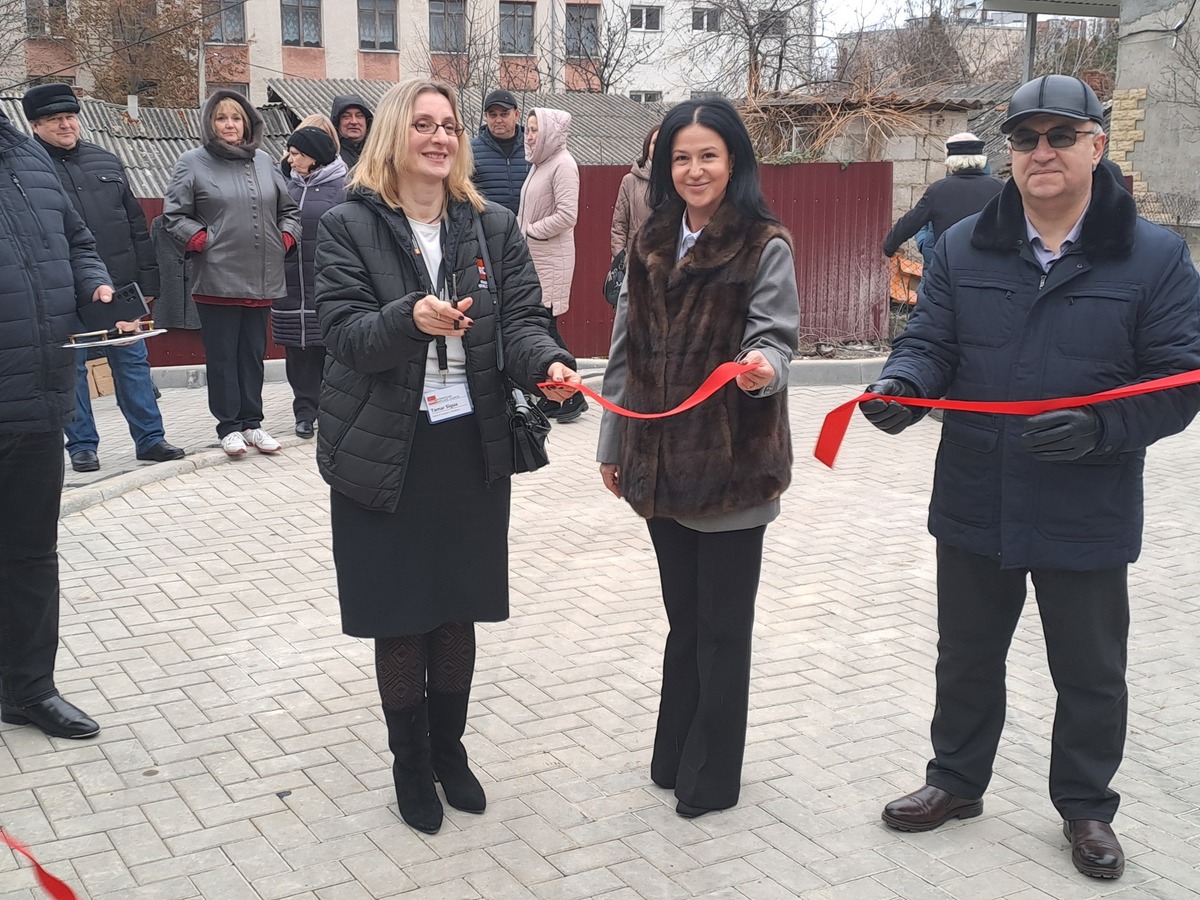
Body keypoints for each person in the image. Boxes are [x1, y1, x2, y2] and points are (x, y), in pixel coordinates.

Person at [859, 75, 1200, 882]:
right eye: (1024, 138)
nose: (1040, 152)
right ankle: (956, 781)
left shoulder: (1154, 256)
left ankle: (1085, 805)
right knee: (966, 656)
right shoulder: (965, 245)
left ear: (1096, 144)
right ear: (1008, 152)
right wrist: (903, 386)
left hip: (1087, 500)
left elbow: (1179, 379)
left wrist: (1101, 430)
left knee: (1089, 670)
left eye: (1059, 135)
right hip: (977, 490)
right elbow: (931, 342)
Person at [313, 78, 582, 835]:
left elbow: (522, 322)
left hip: (469, 446)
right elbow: (345, 335)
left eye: (449, 126)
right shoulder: (346, 225)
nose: (440, 137)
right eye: (423, 124)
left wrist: (547, 365)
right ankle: (409, 760)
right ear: (394, 135)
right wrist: (411, 318)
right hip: (381, 450)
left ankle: (449, 750)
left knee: (457, 607)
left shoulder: (491, 225)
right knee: (402, 614)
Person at [596, 98, 800, 819]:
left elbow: (776, 337)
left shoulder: (763, 243)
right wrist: (613, 443)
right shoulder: (650, 239)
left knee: (722, 628)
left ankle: (713, 777)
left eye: (707, 155)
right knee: (684, 619)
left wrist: (762, 368)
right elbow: (623, 350)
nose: (694, 170)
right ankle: (674, 751)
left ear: (733, 160)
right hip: (656, 463)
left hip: (732, 467)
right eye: (680, 158)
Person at [0, 106, 113, 739]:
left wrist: (94, 285)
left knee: (30, 555)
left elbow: (78, 241)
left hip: (38, 395)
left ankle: (28, 690)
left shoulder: (29, 158)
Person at [22, 84, 186, 473]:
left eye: (70, 117)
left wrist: (148, 285)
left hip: (119, 285)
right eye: (55, 119)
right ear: (35, 125)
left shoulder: (107, 161)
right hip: (61, 290)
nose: (66, 125)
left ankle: (151, 439)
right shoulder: (26, 170)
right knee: (72, 369)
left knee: (132, 363)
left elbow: (135, 226)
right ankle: (82, 446)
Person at [162, 90, 301, 457]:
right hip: (217, 276)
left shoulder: (264, 161)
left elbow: (289, 211)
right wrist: (203, 241)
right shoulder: (192, 162)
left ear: (248, 123)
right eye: (221, 118)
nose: (229, 125)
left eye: (236, 118)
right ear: (210, 124)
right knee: (223, 356)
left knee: (252, 354)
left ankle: (253, 423)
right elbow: (173, 216)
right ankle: (229, 427)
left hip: (262, 275)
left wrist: (284, 239)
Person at [276, 123, 348, 439]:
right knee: (298, 351)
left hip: (330, 284)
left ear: (313, 156)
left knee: (331, 351)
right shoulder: (286, 188)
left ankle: (334, 412)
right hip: (291, 283)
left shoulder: (344, 188)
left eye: (295, 153)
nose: (290, 159)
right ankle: (304, 412)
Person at [518, 107, 586, 422]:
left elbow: (567, 215)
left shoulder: (563, 164)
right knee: (543, 325)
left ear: (550, 132)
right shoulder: (540, 164)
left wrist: (531, 231)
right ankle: (554, 395)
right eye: (528, 129)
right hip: (535, 258)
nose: (530, 136)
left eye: (535, 130)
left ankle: (574, 396)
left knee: (546, 326)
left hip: (551, 259)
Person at [882, 132, 1004, 264]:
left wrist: (889, 247)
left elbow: (910, 222)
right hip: (990, 265)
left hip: (950, 266)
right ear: (981, 160)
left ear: (950, 164)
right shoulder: (1000, 188)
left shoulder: (939, 190)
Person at [469, 89, 530, 216]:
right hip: (487, 224)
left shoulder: (533, 147)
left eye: (504, 114)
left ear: (516, 114)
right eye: (493, 115)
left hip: (529, 224)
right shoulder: (471, 150)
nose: (498, 120)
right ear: (486, 116)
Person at [609, 124, 658, 260]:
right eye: (655, 142)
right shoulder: (630, 181)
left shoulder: (677, 181)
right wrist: (620, 257)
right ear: (647, 146)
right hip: (634, 260)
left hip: (666, 263)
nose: (659, 147)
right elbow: (619, 225)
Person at [331, 94, 373, 169]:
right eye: (346, 116)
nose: (354, 122)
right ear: (337, 124)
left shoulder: (379, 151)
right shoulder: (330, 156)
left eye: (359, 116)